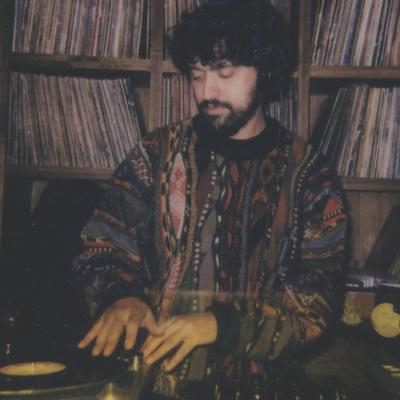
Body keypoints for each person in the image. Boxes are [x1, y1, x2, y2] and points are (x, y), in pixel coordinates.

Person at [73, 0, 348, 398]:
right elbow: (104, 238)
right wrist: (121, 296)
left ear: (266, 70)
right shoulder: (157, 152)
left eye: (225, 72)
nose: (207, 92)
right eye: (198, 75)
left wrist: (222, 324)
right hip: (153, 382)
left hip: (263, 387)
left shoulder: (310, 175)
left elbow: (315, 303)